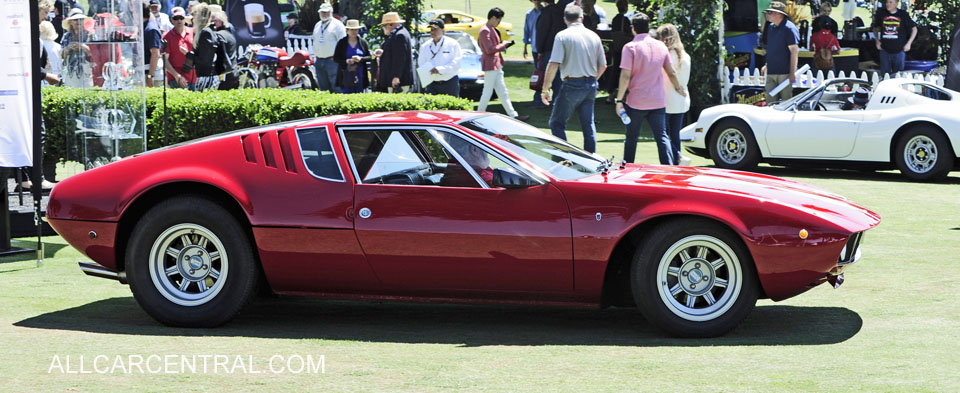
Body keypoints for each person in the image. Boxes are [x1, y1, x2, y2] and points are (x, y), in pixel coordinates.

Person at [615, 12, 686, 165]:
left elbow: (625, 76)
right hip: (658, 101)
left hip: (637, 101)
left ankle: (628, 167)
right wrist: (678, 87)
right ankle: (668, 168)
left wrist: (619, 99)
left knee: (632, 137)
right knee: (662, 137)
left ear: (633, 28)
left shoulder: (630, 47)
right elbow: (671, 72)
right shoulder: (661, 46)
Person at [541, 5, 606, 153]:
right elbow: (603, 65)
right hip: (590, 83)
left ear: (565, 19)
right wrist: (593, 79)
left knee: (557, 123)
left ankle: (565, 159)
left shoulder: (562, 36)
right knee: (588, 125)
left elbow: (553, 64)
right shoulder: (594, 36)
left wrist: (545, 88)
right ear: (581, 18)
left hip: (572, 82)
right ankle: (591, 159)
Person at [477, 7, 527, 120]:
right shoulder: (485, 30)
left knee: (502, 91)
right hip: (491, 64)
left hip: (496, 64)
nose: (499, 22)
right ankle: (479, 114)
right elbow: (489, 49)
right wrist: (504, 45)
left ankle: (513, 115)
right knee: (487, 91)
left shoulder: (491, 29)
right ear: (493, 18)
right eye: (499, 20)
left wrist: (503, 45)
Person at [657, 23, 691, 166]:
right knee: (675, 133)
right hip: (681, 99)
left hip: (666, 99)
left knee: (662, 134)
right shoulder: (685, 56)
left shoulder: (664, 55)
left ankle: (677, 157)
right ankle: (677, 160)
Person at [761, 1, 799, 103]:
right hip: (772, 71)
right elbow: (773, 48)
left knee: (786, 103)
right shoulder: (771, 27)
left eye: (770, 12)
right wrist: (767, 64)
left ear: (779, 14)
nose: (768, 15)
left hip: (785, 73)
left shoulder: (789, 28)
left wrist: (792, 73)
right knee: (770, 102)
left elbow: (794, 52)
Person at [418, 20, 462, 97]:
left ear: (443, 31)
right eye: (431, 30)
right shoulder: (425, 46)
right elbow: (421, 63)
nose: (433, 32)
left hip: (449, 82)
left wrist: (440, 69)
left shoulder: (452, 44)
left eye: (435, 29)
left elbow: (456, 64)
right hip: (432, 84)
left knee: (451, 108)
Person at [872, 0, 917, 76]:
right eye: (887, 2)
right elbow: (875, 28)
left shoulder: (903, 14)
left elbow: (914, 29)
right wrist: (877, 41)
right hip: (885, 49)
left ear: (896, 3)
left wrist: (909, 43)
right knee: (885, 75)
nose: (888, 4)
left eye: (890, 2)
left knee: (898, 75)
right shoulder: (881, 14)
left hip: (899, 50)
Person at [373, 12, 414, 93]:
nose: (383, 28)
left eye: (384, 25)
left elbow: (400, 58)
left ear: (390, 24)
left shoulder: (399, 36)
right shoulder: (397, 34)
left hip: (398, 81)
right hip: (395, 80)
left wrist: (396, 77)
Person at [312, 2, 346, 92]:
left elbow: (343, 44)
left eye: (327, 12)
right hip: (319, 60)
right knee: (323, 89)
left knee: (337, 88)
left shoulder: (338, 25)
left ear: (331, 12)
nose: (324, 14)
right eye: (322, 12)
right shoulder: (317, 25)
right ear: (319, 13)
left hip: (333, 61)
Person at [536, 0, 565, 102]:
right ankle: (557, 100)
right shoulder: (561, 11)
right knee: (558, 77)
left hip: (548, 48)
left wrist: (540, 49)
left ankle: (539, 100)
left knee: (544, 75)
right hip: (560, 48)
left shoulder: (546, 12)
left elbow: (542, 32)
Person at [333, 19, 371, 94]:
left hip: (360, 75)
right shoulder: (342, 42)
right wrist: (346, 61)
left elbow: (369, 57)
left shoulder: (363, 42)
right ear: (347, 30)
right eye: (352, 30)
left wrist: (361, 59)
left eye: (356, 30)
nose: (354, 32)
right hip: (346, 75)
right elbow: (336, 58)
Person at [162, 7, 195, 90]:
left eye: (181, 18)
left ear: (185, 19)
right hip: (176, 79)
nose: (179, 20)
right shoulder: (167, 37)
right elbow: (165, 60)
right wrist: (177, 76)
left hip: (193, 77)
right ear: (172, 20)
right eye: (176, 18)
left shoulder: (193, 32)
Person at [605, 0, 630, 103]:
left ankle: (610, 94)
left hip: (616, 48)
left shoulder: (615, 19)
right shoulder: (626, 20)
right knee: (624, 72)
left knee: (615, 71)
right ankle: (623, 95)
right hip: (624, 49)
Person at [59, 8, 92, 88]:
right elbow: (62, 55)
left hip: (86, 72)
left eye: (81, 19)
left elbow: (93, 54)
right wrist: (69, 48)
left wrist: (82, 46)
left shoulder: (90, 35)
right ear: (70, 22)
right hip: (70, 72)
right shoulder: (66, 36)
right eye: (75, 19)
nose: (78, 21)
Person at [191, 4, 219, 91]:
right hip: (207, 76)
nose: (193, 18)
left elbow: (205, 60)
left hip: (206, 77)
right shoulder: (208, 31)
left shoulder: (205, 33)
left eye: (194, 15)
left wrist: (189, 55)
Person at [211, 10, 237, 89]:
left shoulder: (218, 35)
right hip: (233, 72)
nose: (210, 24)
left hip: (223, 75)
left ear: (220, 21)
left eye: (213, 21)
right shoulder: (229, 34)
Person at [523, 0, 542, 106]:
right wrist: (525, 46)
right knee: (538, 73)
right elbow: (527, 30)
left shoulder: (545, 12)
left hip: (543, 48)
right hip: (534, 48)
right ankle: (538, 98)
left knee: (542, 73)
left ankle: (539, 99)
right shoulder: (529, 14)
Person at [143, 0, 163, 87]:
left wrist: (151, 75)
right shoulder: (144, 26)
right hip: (143, 72)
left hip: (150, 74)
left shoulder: (151, 29)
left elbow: (155, 54)